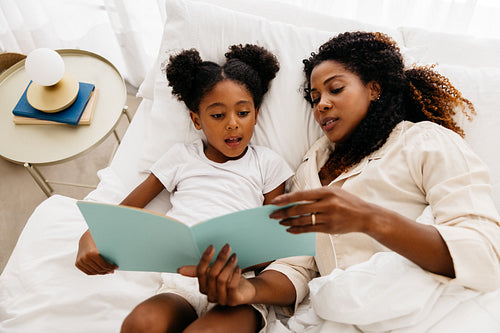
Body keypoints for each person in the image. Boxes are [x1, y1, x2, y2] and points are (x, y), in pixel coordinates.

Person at [179, 31, 500, 330]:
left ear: (374, 88)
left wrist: (372, 220)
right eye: (314, 97)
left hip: (432, 315)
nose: (322, 105)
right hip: (343, 318)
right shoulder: (309, 169)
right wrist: (249, 290)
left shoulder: (425, 142)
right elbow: (298, 266)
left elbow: (485, 253)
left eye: (335, 89)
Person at [74, 44, 294, 333]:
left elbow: (273, 239)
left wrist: (234, 260)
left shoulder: (268, 163)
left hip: (237, 284)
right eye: (217, 116)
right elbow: (128, 209)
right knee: (141, 324)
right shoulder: (182, 157)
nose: (232, 124)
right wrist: (91, 236)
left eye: (243, 112)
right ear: (196, 119)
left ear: (256, 113)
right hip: (182, 283)